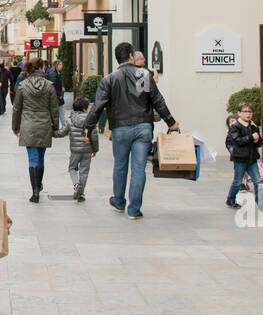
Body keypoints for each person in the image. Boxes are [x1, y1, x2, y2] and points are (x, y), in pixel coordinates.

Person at [83, 42, 178, 220]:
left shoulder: (110, 79)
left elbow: (97, 107)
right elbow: (158, 101)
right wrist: (171, 122)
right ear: (132, 57)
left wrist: (88, 128)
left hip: (120, 128)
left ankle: (119, 201)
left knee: (120, 166)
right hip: (143, 126)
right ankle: (134, 209)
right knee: (139, 168)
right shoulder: (142, 75)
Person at [11, 57, 59, 203]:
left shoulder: (23, 86)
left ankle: (35, 192)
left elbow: (17, 108)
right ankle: (39, 185)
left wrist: (15, 126)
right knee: (41, 157)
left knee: (32, 158)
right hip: (44, 125)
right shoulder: (49, 86)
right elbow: (54, 108)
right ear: (42, 68)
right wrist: (55, 127)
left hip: (28, 124)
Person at [53, 95, 98, 201]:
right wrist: (95, 149)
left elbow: (62, 133)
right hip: (87, 150)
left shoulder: (70, 120)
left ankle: (77, 185)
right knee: (84, 171)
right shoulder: (90, 120)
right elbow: (94, 136)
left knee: (72, 168)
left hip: (75, 150)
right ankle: (81, 193)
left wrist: (53, 133)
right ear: (84, 109)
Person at [224, 102, 263, 210]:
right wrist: (251, 137)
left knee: (258, 181)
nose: (248, 114)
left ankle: (260, 203)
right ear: (239, 113)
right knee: (237, 181)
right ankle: (230, 199)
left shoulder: (253, 126)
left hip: (252, 159)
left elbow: (259, 142)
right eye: (245, 111)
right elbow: (238, 141)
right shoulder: (236, 127)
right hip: (240, 159)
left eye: (250, 111)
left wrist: (257, 140)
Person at [48, 59, 66, 127]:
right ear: (56, 65)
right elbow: (52, 86)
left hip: (58, 96)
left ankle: (62, 125)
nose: (62, 66)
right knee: (59, 112)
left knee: (60, 112)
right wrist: (57, 95)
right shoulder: (53, 74)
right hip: (56, 96)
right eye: (60, 64)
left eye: (61, 64)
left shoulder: (58, 73)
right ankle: (63, 126)